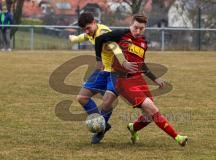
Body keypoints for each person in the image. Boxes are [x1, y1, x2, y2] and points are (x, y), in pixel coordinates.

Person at [95, 13, 188, 146]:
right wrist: (99, 60)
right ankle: (178, 137)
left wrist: (155, 79)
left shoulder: (143, 42)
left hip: (138, 79)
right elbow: (99, 40)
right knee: (152, 109)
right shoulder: (121, 34)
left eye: (141, 28)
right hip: (123, 81)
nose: (137, 31)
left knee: (149, 115)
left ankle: (133, 128)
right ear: (130, 24)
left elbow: (141, 64)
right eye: (135, 27)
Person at [69, 12, 162, 144]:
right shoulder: (91, 32)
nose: (86, 31)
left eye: (88, 28)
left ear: (95, 23)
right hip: (102, 71)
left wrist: (123, 62)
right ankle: (102, 124)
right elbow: (85, 36)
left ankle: (100, 129)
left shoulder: (104, 32)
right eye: (84, 29)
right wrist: (74, 39)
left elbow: (115, 47)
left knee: (107, 101)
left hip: (116, 72)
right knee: (82, 98)